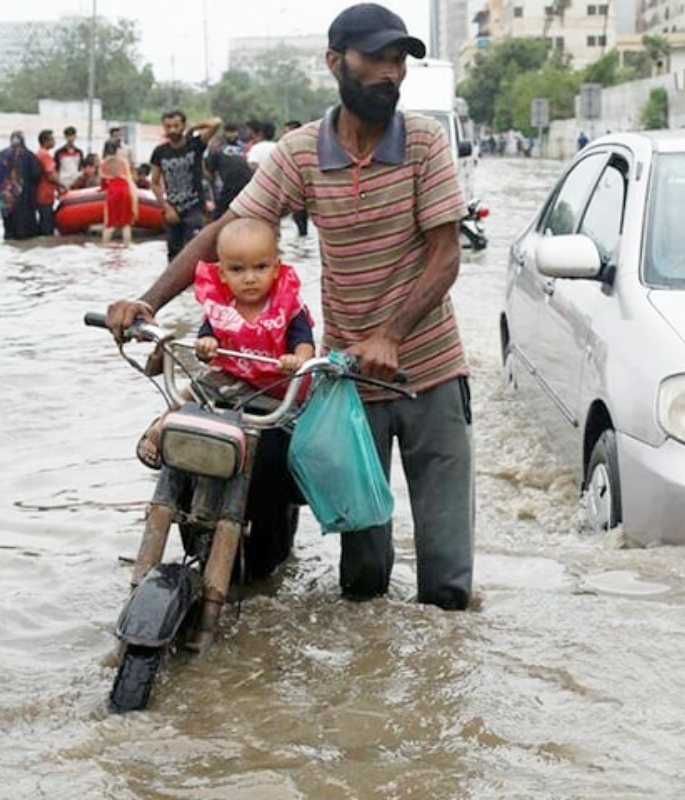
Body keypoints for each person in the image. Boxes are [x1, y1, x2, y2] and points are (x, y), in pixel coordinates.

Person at [107, 3, 473, 611]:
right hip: (348, 383)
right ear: (335, 63)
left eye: (398, 61)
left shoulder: (425, 143)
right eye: (375, 58)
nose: (390, 73)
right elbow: (228, 230)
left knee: (447, 584)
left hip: (431, 373)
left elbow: (445, 257)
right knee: (363, 577)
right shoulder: (303, 153)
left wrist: (390, 333)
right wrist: (145, 301)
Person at [135, 217, 314, 462]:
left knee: (304, 440)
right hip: (232, 378)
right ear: (221, 273)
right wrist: (206, 345)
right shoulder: (221, 306)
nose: (249, 278)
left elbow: (304, 341)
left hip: (277, 387)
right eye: (238, 269)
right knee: (197, 387)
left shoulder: (288, 305)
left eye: (260, 267)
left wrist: (299, 360)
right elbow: (207, 336)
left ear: (276, 268)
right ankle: (161, 426)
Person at [149, 109, 222, 262]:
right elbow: (154, 183)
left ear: (183, 126)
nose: (172, 130)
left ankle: (197, 283)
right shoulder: (160, 152)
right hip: (172, 209)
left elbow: (217, 123)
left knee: (194, 252)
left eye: (176, 126)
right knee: (173, 256)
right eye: (168, 127)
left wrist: (194, 128)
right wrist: (166, 207)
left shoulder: (195, 144)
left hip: (194, 207)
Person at [0, 131, 42, 241]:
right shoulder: (29, 155)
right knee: (25, 234)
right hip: (25, 200)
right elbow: (36, 175)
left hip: (6, 200)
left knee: (9, 233)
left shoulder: (0, 155)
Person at [204, 122, 252, 221]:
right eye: (229, 132)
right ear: (225, 133)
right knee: (220, 216)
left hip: (245, 188)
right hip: (226, 188)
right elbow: (210, 171)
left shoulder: (245, 149)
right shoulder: (217, 149)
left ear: (238, 133)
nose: (232, 135)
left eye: (234, 132)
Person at [100, 141, 138, 245]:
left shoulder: (103, 164)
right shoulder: (123, 162)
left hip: (113, 192)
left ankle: (105, 245)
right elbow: (129, 180)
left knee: (110, 224)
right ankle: (127, 245)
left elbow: (103, 184)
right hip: (125, 191)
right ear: (117, 150)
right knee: (126, 224)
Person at [284, 120, 310, 236]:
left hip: (302, 189)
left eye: (288, 132)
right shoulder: (288, 147)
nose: (285, 135)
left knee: (301, 221)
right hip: (296, 188)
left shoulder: (303, 146)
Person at [35, 129, 62, 236]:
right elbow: (51, 175)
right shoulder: (45, 156)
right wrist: (62, 185)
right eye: (52, 139)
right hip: (45, 194)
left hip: (41, 193)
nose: (54, 142)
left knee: (43, 220)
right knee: (46, 224)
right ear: (46, 141)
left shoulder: (39, 153)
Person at [55, 126, 85, 191]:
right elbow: (56, 169)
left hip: (76, 183)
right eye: (68, 136)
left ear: (75, 137)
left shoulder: (79, 152)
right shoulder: (59, 152)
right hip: (63, 184)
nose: (70, 138)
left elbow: (81, 168)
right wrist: (58, 186)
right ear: (65, 137)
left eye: (72, 136)